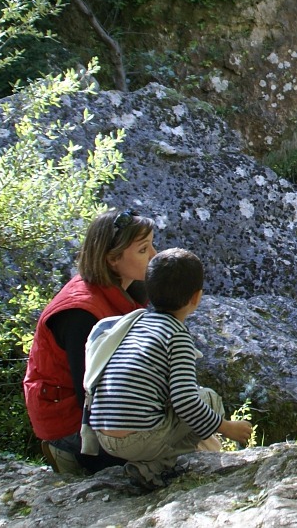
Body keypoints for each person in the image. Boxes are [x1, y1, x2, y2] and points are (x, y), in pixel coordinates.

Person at [84, 247, 252, 489]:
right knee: (208, 399)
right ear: (196, 297)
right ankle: (157, 466)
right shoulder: (177, 335)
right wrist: (227, 428)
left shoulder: (134, 322)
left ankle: (153, 461)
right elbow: (186, 401)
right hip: (139, 438)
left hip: (103, 434)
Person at [24, 208, 157, 475]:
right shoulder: (80, 313)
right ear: (112, 259)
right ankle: (67, 455)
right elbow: (90, 393)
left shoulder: (126, 288)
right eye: (143, 250)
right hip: (71, 421)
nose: (154, 255)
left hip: (101, 405)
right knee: (161, 456)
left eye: (152, 245)